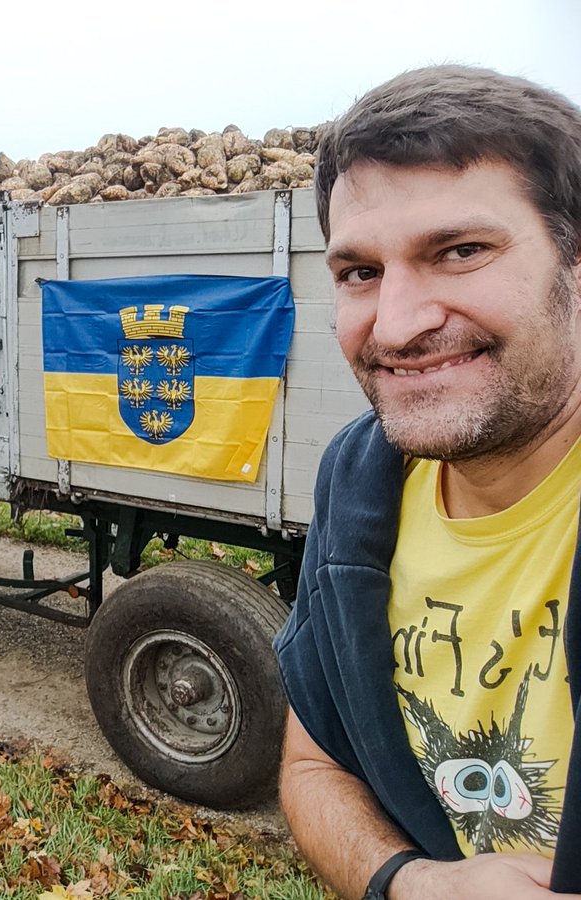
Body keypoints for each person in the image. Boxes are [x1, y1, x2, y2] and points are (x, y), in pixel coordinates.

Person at [274, 65, 581, 899]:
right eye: (360, 273)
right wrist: (412, 884)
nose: (400, 324)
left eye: (461, 251)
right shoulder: (361, 478)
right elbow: (312, 761)